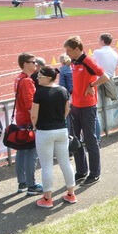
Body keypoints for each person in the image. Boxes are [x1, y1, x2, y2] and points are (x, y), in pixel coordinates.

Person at [64, 35, 109, 185]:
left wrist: (92, 85)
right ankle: (81, 171)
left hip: (88, 107)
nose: (67, 53)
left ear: (77, 49)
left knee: (90, 140)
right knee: (75, 140)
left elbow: (105, 77)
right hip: (75, 106)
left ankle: (95, 173)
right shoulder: (74, 62)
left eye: (69, 50)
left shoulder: (88, 61)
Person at [31, 66, 77, 208]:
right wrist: (60, 120)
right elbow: (67, 109)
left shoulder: (39, 93)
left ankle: (47, 198)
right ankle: (71, 194)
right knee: (65, 162)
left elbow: (34, 114)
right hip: (61, 130)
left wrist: (34, 126)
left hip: (44, 132)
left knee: (46, 165)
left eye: (40, 77)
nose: (38, 79)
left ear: (48, 77)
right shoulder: (62, 90)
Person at [13, 53, 41, 194]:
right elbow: (31, 105)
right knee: (31, 153)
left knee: (21, 152)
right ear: (25, 63)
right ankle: (32, 185)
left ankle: (22, 183)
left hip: (20, 120)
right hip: (28, 121)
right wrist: (36, 122)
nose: (35, 64)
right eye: (33, 62)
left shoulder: (19, 78)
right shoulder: (27, 81)